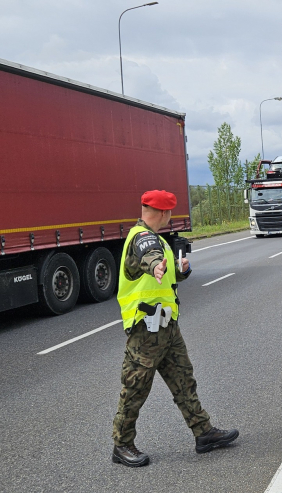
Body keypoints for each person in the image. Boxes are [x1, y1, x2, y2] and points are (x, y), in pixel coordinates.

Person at [111, 189, 238, 467]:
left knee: (183, 380)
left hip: (167, 327)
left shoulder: (158, 240)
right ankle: (122, 445)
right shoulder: (142, 237)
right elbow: (149, 257)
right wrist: (156, 266)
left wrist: (179, 270)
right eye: (169, 213)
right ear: (164, 213)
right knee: (135, 389)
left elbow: (162, 271)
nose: (170, 218)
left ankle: (203, 433)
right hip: (145, 330)